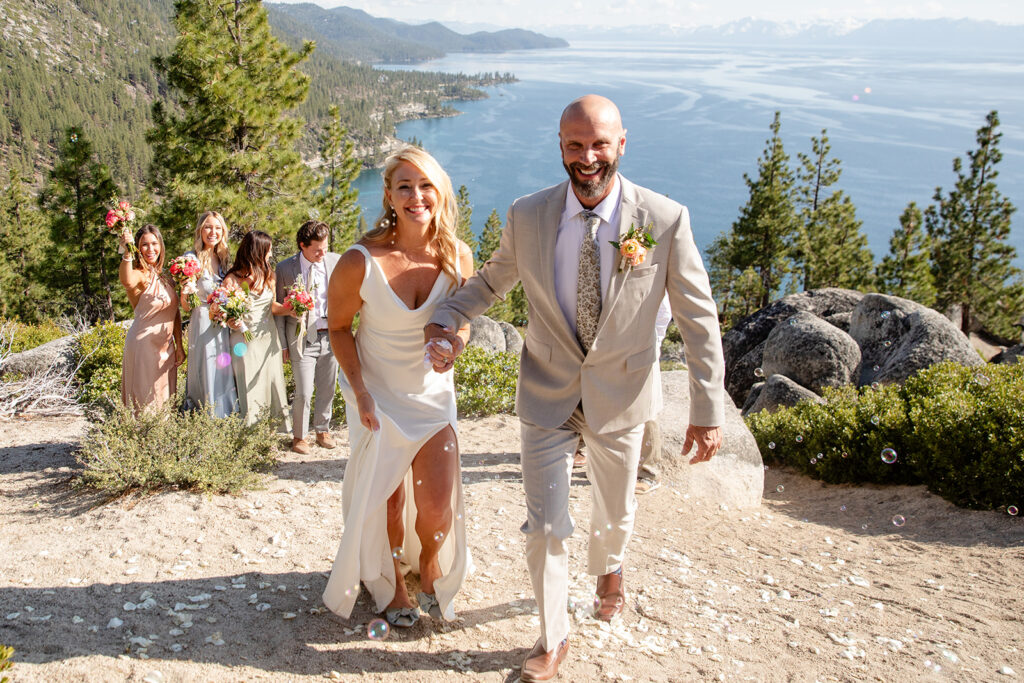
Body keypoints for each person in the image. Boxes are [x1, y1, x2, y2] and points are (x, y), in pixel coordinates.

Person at [426, 95, 725, 681]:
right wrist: (445, 316)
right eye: (574, 145)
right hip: (547, 392)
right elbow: (491, 282)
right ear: (559, 146)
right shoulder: (529, 214)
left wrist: (706, 409)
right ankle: (552, 635)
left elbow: (698, 318)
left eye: (599, 145)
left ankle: (611, 566)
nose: (587, 158)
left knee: (615, 512)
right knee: (544, 524)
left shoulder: (664, 220)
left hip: (623, 396)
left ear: (621, 143)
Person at [322, 146, 474, 630]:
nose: (416, 196)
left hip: (433, 395)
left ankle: (429, 560)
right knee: (387, 499)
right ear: (388, 194)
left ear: (440, 192)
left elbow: (464, 321)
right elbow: (339, 327)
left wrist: (455, 344)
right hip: (377, 394)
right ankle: (392, 582)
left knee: (436, 507)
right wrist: (361, 393)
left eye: (426, 185)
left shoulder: (457, 256)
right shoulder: (358, 261)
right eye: (404, 186)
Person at [275, 220, 341, 454]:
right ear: (302, 245)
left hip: (330, 335)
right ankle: (300, 436)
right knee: (303, 391)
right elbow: (280, 310)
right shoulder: (284, 269)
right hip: (301, 338)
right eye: (317, 249)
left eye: (325, 247)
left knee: (328, 386)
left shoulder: (335, 261)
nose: (323, 253)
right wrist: (282, 344)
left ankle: (323, 429)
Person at [221, 230, 292, 430]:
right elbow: (222, 311)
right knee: (250, 385)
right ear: (257, 252)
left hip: (268, 338)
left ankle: (273, 429)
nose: (270, 254)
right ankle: (251, 431)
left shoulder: (270, 275)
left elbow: (272, 307)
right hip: (244, 341)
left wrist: (290, 309)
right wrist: (231, 320)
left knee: (272, 382)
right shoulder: (233, 279)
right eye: (268, 250)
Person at [118, 224, 184, 412]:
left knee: (164, 399)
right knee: (145, 399)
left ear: (161, 246)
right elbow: (126, 280)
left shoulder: (166, 276)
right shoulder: (138, 274)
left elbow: (175, 312)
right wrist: (126, 253)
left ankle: (161, 441)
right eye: (144, 245)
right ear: (138, 247)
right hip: (144, 345)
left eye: (154, 243)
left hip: (166, 347)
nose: (150, 249)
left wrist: (179, 344)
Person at [182, 210, 238, 417]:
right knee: (205, 366)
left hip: (222, 324)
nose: (212, 232)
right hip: (203, 319)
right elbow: (187, 305)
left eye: (217, 228)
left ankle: (226, 413)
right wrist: (185, 293)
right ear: (200, 230)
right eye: (208, 227)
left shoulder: (223, 259)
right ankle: (205, 415)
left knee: (223, 366)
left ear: (222, 232)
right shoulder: (191, 259)